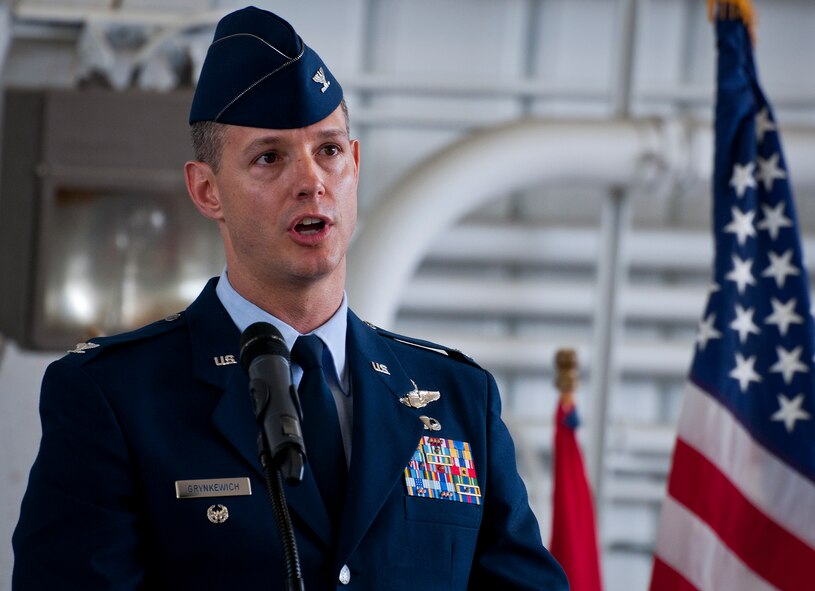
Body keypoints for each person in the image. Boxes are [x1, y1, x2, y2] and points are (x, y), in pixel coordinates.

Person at [12, 6, 569, 590]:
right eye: (269, 157)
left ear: (355, 164)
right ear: (207, 190)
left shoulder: (460, 400)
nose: (311, 181)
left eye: (328, 150)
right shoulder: (116, 399)